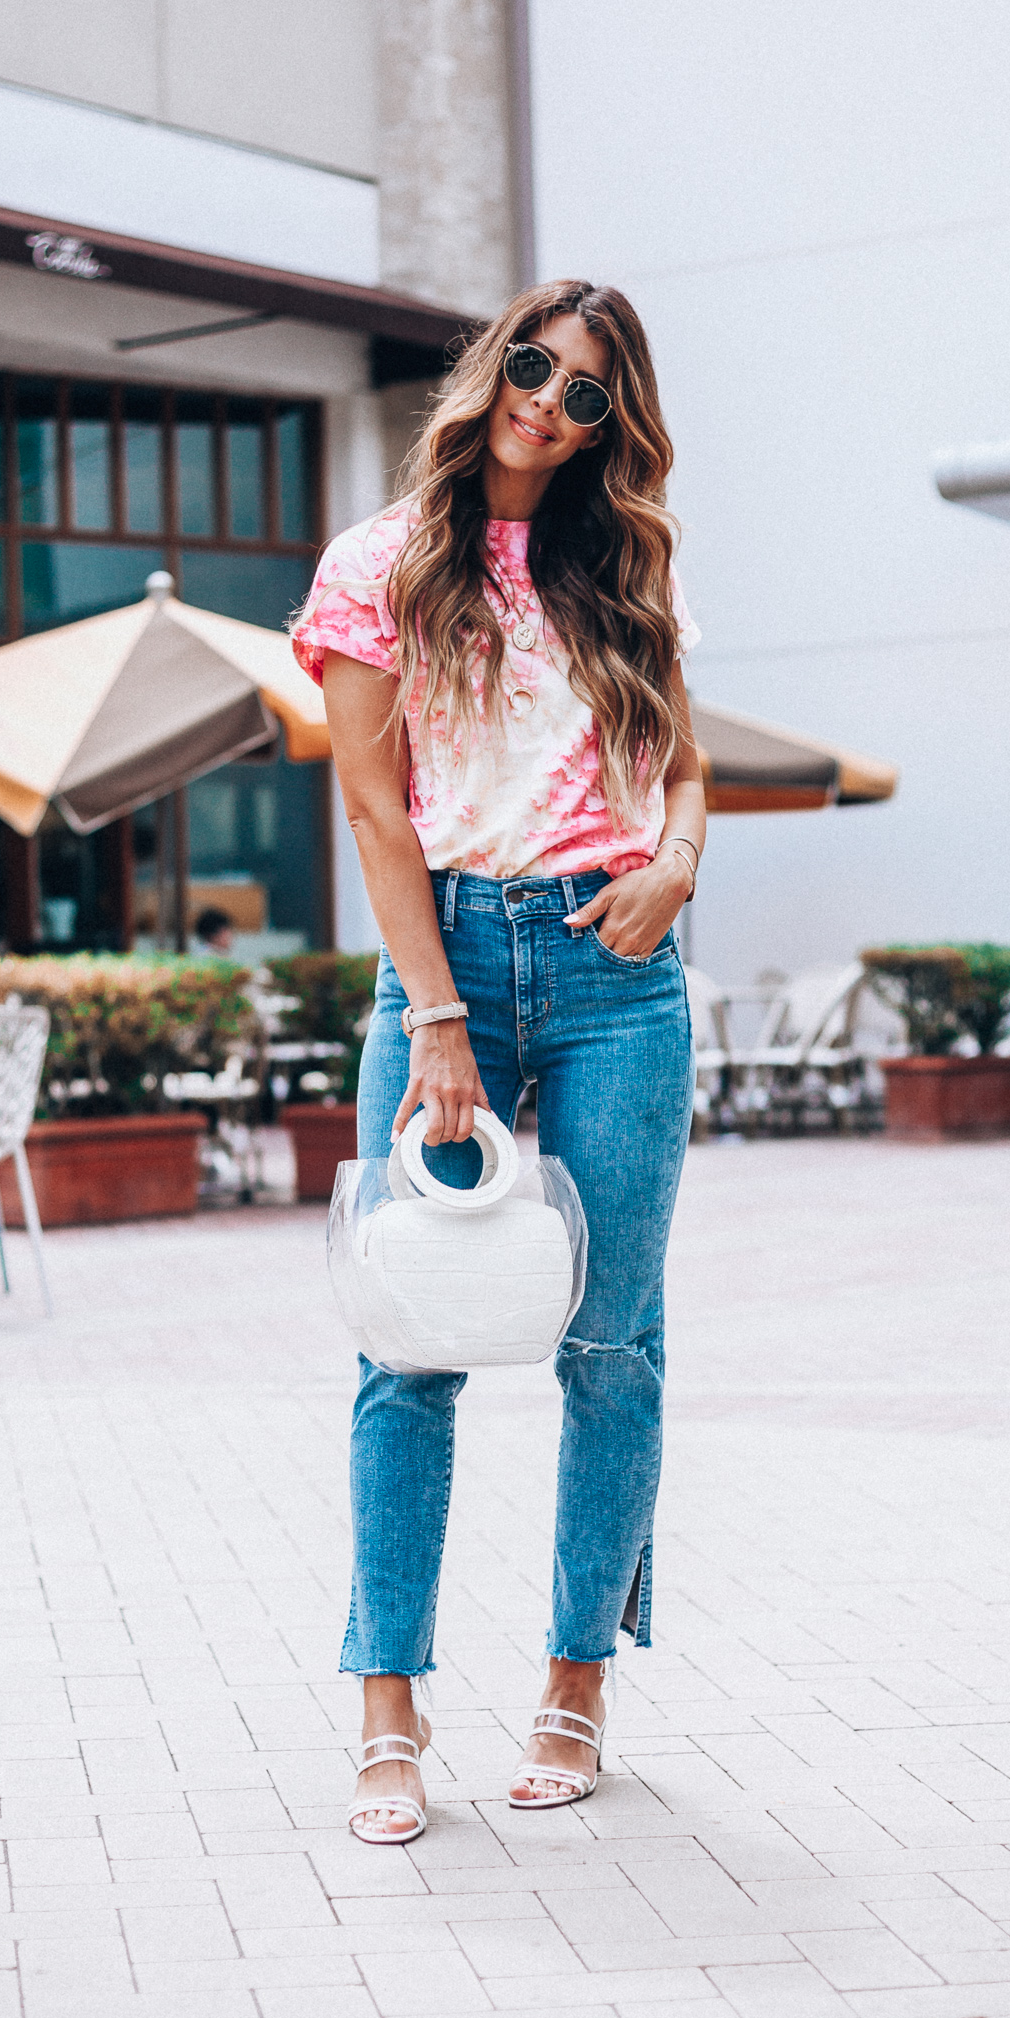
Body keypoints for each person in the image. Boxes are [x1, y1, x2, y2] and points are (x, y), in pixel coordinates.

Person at [292, 278, 703, 1846]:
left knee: (612, 1345)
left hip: (617, 970)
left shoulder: (624, 563)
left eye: (589, 390)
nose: (548, 400)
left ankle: (577, 1679)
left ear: (616, 422)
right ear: (494, 367)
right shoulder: (382, 561)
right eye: (535, 365)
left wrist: (674, 861)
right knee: (409, 1342)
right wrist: (441, 1020)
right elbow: (377, 810)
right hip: (444, 961)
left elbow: (681, 762)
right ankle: (389, 1709)